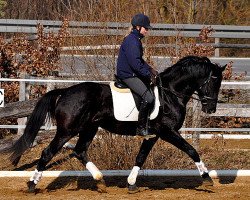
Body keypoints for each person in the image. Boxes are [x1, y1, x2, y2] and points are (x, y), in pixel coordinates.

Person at [116, 13, 158, 137]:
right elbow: (135, 64)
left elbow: (139, 60)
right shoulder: (132, 41)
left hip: (131, 73)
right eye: (146, 28)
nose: (147, 31)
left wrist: (150, 70)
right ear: (138, 27)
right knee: (149, 98)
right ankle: (141, 128)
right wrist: (147, 75)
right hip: (128, 75)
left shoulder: (135, 40)